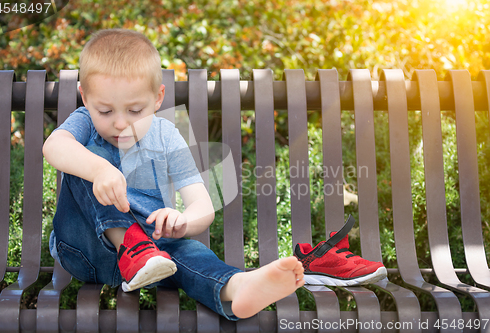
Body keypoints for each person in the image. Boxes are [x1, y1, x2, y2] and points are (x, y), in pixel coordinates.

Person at [42, 28, 304, 320]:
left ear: (157, 98)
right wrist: (100, 169)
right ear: (85, 98)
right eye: (105, 111)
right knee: (87, 158)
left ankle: (238, 285)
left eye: (134, 110)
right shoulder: (84, 123)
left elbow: (202, 206)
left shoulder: (166, 135)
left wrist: (183, 221)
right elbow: (54, 146)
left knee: (190, 250)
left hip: (154, 256)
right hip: (85, 250)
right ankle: (129, 244)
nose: (119, 123)